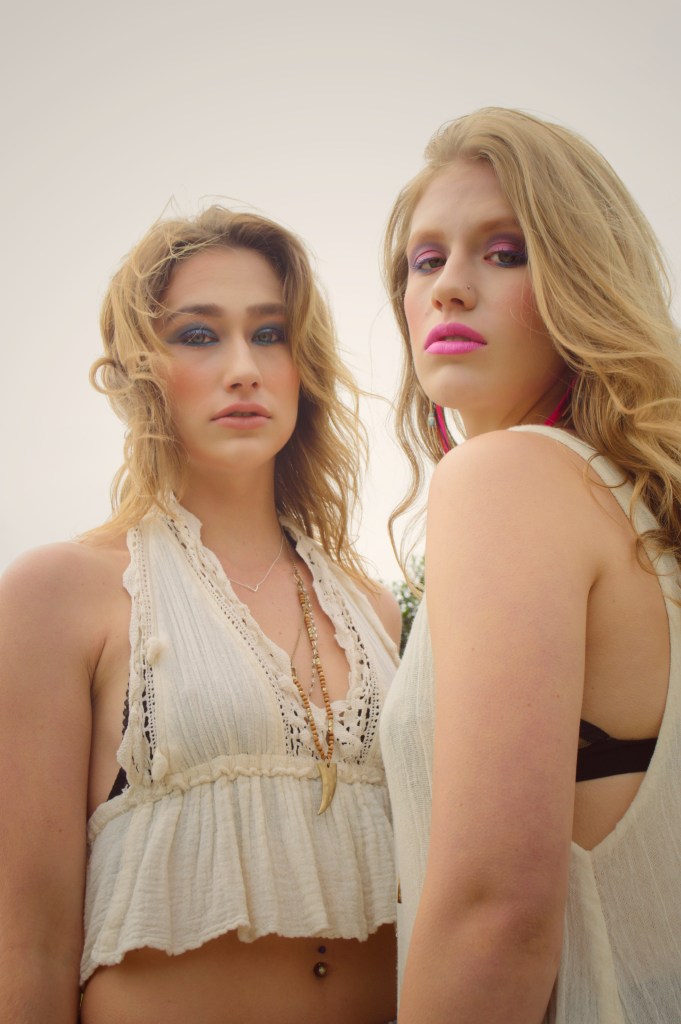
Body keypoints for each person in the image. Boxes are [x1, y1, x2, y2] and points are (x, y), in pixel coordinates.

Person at [0, 206, 402, 1024]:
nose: (243, 368)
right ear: (140, 371)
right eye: (198, 335)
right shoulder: (61, 593)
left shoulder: (374, 611)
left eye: (270, 334)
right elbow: (28, 941)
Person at [379, 107, 681, 1023]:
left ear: (582, 279)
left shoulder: (507, 477)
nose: (448, 288)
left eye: (504, 252)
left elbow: (494, 914)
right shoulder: (632, 512)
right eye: (425, 260)